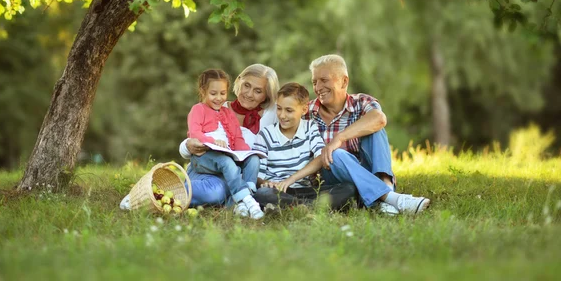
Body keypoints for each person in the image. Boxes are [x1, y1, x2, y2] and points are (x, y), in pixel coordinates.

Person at [306, 54, 430, 214]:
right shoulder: (306, 112)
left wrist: (340, 137)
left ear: (344, 81)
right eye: (314, 82)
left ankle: (385, 191)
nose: (318, 87)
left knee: (376, 130)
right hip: (330, 175)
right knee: (334, 155)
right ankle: (393, 199)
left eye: (324, 80)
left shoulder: (361, 102)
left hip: (364, 170)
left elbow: (379, 118)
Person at [179, 64, 280, 208]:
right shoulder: (217, 106)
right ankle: (173, 192)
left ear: (267, 95)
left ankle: (238, 201)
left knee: (222, 190)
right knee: (215, 191)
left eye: (258, 91)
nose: (249, 94)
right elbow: (194, 136)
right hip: (206, 170)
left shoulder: (274, 114)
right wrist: (187, 145)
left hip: (239, 175)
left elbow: (298, 110)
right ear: (238, 82)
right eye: (247, 85)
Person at [253, 83, 357, 209]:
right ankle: (310, 208)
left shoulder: (310, 127)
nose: (282, 115)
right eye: (279, 108)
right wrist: (266, 183)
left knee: (348, 188)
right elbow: (258, 175)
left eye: (289, 110)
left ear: (304, 110)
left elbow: (321, 158)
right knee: (262, 193)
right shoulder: (265, 134)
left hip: (305, 190)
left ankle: (297, 207)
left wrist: (291, 179)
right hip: (278, 190)